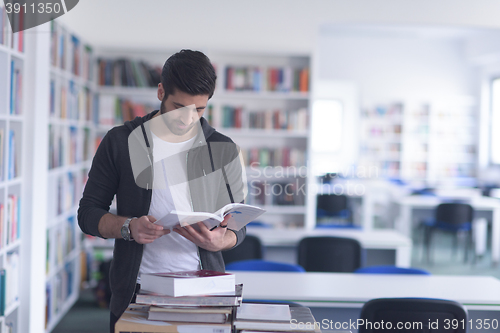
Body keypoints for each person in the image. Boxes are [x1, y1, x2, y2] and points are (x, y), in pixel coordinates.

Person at [78, 50, 247, 333]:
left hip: (206, 292)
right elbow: (88, 214)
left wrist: (222, 240)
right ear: (160, 92)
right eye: (178, 107)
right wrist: (127, 227)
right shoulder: (120, 142)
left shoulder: (222, 149)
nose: (187, 119)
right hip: (138, 293)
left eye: (199, 110)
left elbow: (239, 223)